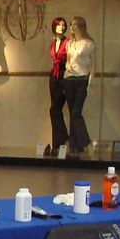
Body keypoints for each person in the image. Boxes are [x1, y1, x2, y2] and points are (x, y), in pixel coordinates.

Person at [65, 15, 95, 156]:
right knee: (72, 113)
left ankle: (86, 142)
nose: (71, 27)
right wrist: (68, 65)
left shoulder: (88, 43)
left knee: (76, 112)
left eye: (74, 25)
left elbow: (93, 65)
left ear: (81, 27)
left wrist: (90, 82)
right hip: (69, 79)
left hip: (82, 79)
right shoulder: (69, 44)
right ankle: (74, 147)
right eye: (71, 25)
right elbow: (67, 60)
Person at [47, 17, 69, 154]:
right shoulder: (53, 43)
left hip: (64, 74)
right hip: (54, 76)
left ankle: (63, 140)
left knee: (57, 109)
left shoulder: (68, 42)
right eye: (58, 25)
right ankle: (59, 142)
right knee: (54, 110)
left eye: (63, 25)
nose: (61, 27)